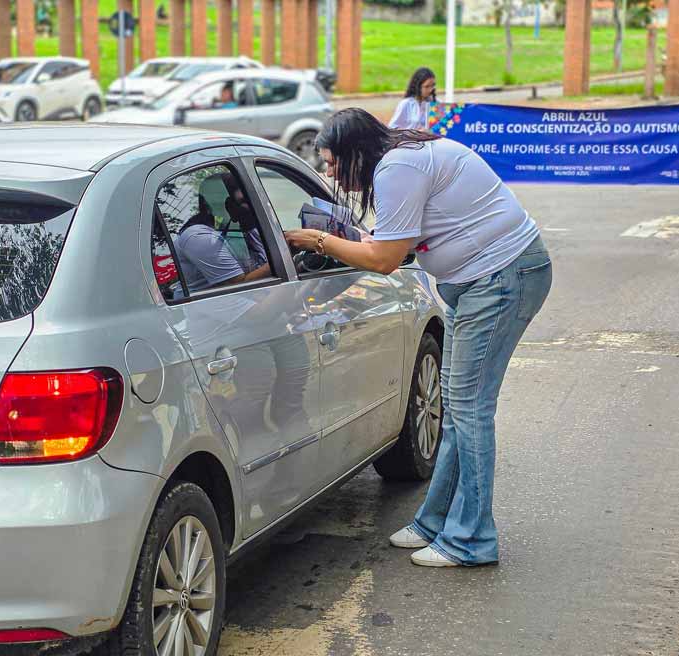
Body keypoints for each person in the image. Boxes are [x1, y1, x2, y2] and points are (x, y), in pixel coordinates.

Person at [284, 108, 552, 568]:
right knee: (457, 404)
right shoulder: (403, 158)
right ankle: (437, 522)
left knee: (469, 409)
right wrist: (356, 237)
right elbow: (399, 239)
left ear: (355, 153)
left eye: (331, 162)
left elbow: (386, 258)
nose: (328, 173)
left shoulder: (397, 167)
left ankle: (471, 540)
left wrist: (318, 241)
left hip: (500, 280)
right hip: (489, 281)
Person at [174, 173, 270, 294]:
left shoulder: (246, 230)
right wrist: (285, 255)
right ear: (228, 204)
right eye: (244, 201)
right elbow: (239, 287)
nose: (252, 207)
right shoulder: (200, 237)